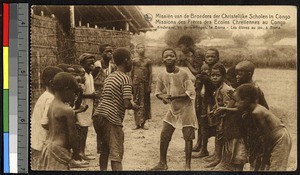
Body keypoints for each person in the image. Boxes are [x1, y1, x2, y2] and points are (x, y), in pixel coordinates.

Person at [220, 84, 292, 171]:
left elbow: (266, 135)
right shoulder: (251, 108)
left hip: (280, 139)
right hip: (272, 137)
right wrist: (226, 109)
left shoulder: (257, 112)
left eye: (237, 101)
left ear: (246, 100)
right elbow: (239, 109)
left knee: (276, 166)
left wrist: (266, 154)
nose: (235, 104)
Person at [92, 48, 140, 171]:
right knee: (116, 154)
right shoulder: (125, 78)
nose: (132, 63)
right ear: (126, 61)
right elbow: (126, 103)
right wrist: (134, 106)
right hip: (111, 118)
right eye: (130, 60)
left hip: (98, 115)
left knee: (104, 151)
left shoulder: (110, 77)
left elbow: (107, 96)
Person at [150, 48, 197, 171]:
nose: (169, 58)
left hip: (187, 107)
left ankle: (187, 166)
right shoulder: (162, 75)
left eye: (172, 56)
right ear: (163, 59)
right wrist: (163, 97)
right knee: (165, 134)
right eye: (166, 56)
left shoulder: (183, 74)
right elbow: (158, 92)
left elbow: (191, 92)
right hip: (173, 108)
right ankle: (162, 163)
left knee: (188, 136)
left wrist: (174, 97)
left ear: (176, 58)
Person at [39, 72, 81, 170]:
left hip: (48, 147)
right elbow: (73, 136)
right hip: (59, 150)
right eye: (73, 92)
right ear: (66, 90)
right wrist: (76, 153)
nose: (74, 96)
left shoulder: (52, 105)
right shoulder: (67, 110)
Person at [31, 66, 63, 170]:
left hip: (37, 140)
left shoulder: (45, 95)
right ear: (51, 82)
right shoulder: (50, 99)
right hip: (42, 141)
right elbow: (45, 123)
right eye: (60, 81)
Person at [177, 35, 205, 153]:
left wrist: (186, 62)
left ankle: (200, 144)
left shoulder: (198, 53)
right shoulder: (197, 52)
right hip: (201, 85)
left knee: (200, 115)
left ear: (187, 44)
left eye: (181, 46)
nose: (181, 49)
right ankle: (200, 143)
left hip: (203, 87)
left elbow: (197, 72)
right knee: (199, 115)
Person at [204, 63, 234, 168]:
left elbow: (228, 106)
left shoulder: (225, 89)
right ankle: (217, 156)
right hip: (220, 117)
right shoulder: (218, 88)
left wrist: (220, 112)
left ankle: (221, 160)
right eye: (213, 75)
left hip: (227, 118)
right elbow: (218, 103)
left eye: (218, 75)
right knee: (218, 135)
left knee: (223, 137)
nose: (215, 77)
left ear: (223, 76)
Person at [192, 48, 219, 159]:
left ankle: (204, 149)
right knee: (200, 121)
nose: (209, 58)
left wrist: (205, 78)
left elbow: (214, 85)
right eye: (207, 56)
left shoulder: (217, 70)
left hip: (210, 100)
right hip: (201, 99)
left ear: (217, 58)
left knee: (207, 124)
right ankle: (200, 144)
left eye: (212, 56)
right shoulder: (204, 67)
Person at [77, 53, 97, 161]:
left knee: (85, 129)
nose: (92, 65)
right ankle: (80, 152)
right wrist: (91, 95)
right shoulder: (82, 75)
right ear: (83, 64)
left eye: (93, 62)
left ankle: (82, 151)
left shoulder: (90, 75)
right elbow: (79, 93)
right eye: (89, 63)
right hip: (82, 106)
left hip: (88, 105)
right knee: (82, 129)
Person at [131, 43, 152, 130]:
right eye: (139, 47)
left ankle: (143, 123)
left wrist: (150, 85)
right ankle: (137, 123)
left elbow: (150, 74)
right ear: (136, 50)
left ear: (144, 49)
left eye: (142, 47)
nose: (141, 49)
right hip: (136, 84)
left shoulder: (148, 61)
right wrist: (131, 84)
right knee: (136, 101)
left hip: (145, 84)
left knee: (145, 102)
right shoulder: (134, 61)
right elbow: (131, 73)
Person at [93, 44, 117, 108]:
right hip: (97, 95)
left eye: (111, 52)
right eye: (107, 51)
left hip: (108, 95)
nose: (109, 53)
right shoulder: (96, 66)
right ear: (101, 53)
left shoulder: (112, 67)